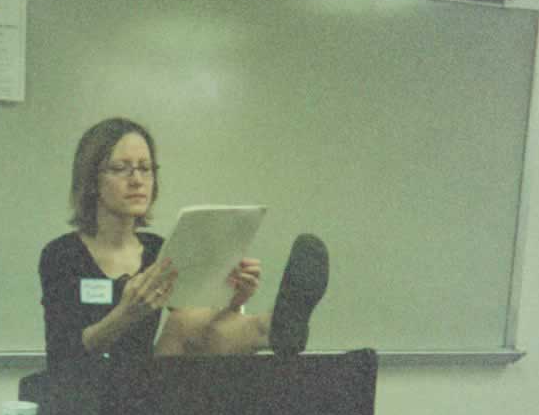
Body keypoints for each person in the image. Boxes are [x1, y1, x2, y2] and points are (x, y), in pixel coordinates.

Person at [39, 117, 328, 365]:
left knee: (188, 320)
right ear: (91, 180)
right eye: (120, 168)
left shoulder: (156, 249)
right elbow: (66, 353)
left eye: (146, 168)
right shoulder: (62, 254)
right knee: (184, 322)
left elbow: (200, 333)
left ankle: (271, 327)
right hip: (81, 395)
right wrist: (126, 314)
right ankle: (268, 329)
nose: (137, 180)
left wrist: (233, 299)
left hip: (145, 389)